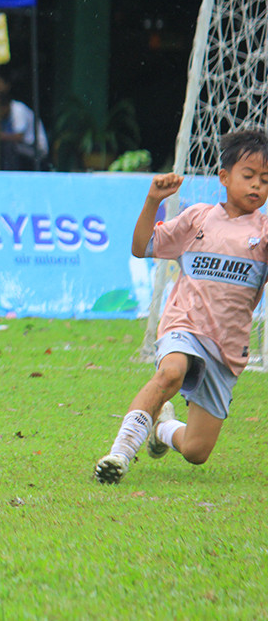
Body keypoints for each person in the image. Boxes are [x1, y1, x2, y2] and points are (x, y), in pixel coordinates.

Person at [94, 129, 268, 484]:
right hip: (183, 326)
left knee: (195, 452)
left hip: (227, 347)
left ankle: (163, 429)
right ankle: (119, 454)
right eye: (248, 176)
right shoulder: (198, 218)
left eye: (265, 180)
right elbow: (142, 247)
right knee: (171, 372)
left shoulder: (263, 233)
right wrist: (152, 200)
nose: (257, 186)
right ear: (224, 177)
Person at [0, 79, 48, 171]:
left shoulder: (18, 110)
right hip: (23, 148)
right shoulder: (7, 114)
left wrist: (0, 136)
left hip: (36, 149)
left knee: (9, 146)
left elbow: (19, 137)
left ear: (4, 106)